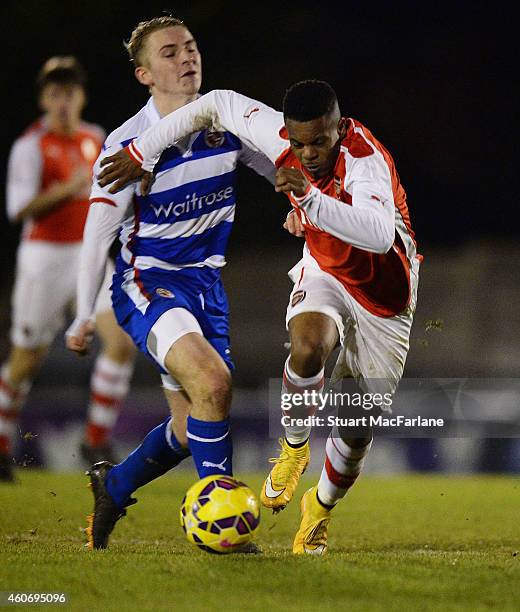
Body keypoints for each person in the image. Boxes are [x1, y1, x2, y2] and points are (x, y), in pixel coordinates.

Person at [97, 81, 421, 554]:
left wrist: (310, 203)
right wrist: (143, 150)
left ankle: (320, 507)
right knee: (308, 345)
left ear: (339, 127)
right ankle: (293, 447)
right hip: (327, 268)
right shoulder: (282, 137)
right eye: (299, 142)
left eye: (320, 141)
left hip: (386, 296)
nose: (308, 153)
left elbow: (374, 234)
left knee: (354, 428)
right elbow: (217, 103)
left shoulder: (365, 158)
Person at [65, 16, 275, 550]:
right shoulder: (127, 144)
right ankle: (223, 528)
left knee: (191, 424)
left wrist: (304, 201)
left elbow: (277, 170)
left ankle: (113, 485)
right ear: (144, 75)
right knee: (213, 383)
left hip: (206, 287)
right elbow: (98, 234)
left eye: (191, 47)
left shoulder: (223, 123)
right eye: (169, 53)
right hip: (148, 283)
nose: (186, 58)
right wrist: (84, 313)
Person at [0, 57, 136, 482]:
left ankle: (94, 439)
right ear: (43, 99)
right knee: (27, 360)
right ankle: (2, 444)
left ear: (82, 97)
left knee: (122, 341)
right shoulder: (30, 146)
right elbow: (18, 210)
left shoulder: (95, 137)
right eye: (55, 93)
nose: (63, 101)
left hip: (90, 253)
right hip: (45, 258)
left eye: (70, 92)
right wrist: (68, 187)